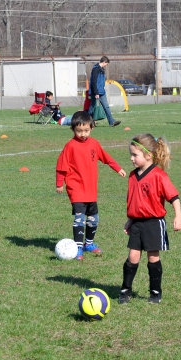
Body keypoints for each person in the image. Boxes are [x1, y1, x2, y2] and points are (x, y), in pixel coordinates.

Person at [119, 134, 181, 305]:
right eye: (131, 155)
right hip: (137, 223)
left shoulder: (159, 176)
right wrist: (130, 220)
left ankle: (155, 292)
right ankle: (125, 290)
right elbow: (134, 202)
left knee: (152, 258)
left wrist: (178, 217)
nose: (132, 158)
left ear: (148, 155)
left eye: (135, 155)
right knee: (133, 257)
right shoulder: (133, 176)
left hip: (154, 223)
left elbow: (174, 197)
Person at [55, 111, 126, 260]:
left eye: (86, 130)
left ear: (92, 128)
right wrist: (59, 184)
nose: (83, 134)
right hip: (76, 188)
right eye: (79, 131)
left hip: (91, 189)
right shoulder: (70, 146)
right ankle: (78, 248)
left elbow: (106, 158)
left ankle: (89, 243)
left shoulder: (94, 144)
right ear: (73, 129)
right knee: (80, 218)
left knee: (94, 218)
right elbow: (62, 166)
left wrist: (118, 168)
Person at [88, 56, 121, 127]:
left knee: (106, 107)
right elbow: (94, 81)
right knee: (92, 108)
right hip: (96, 92)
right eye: (107, 64)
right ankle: (87, 122)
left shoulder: (101, 69)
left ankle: (112, 122)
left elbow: (100, 81)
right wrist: (96, 92)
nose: (107, 65)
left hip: (102, 92)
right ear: (104, 62)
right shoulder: (95, 69)